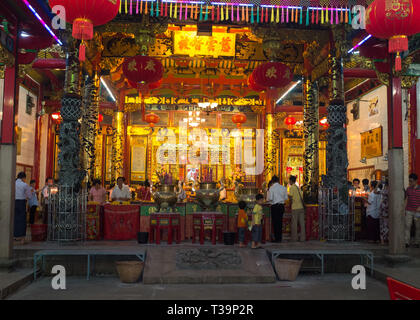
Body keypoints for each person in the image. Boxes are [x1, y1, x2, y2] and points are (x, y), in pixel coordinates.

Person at [267, 175, 288, 243]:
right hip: (281, 206)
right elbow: (285, 198)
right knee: (280, 222)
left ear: (272, 181)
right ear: (279, 181)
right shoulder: (283, 188)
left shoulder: (272, 188)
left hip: (274, 206)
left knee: (275, 222)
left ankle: (277, 238)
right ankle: (280, 238)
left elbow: (270, 198)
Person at [15, 172, 31, 244]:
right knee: (22, 220)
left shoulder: (13, 183)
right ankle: (22, 239)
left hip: (13, 203)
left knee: (14, 219)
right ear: (23, 178)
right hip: (22, 203)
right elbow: (29, 196)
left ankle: (14, 236)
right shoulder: (25, 185)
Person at [288, 175, 306, 242]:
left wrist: (290, 202)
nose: (288, 181)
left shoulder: (292, 187)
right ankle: (302, 238)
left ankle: (294, 238)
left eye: (289, 180)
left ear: (291, 181)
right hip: (301, 207)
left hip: (295, 207)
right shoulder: (298, 188)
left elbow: (290, 196)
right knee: (302, 223)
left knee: (294, 223)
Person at [405, 173, 420, 248]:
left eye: (411, 181)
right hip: (409, 210)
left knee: (418, 227)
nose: (410, 183)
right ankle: (406, 241)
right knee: (407, 226)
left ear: (416, 181)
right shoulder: (408, 189)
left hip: (418, 211)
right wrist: (404, 209)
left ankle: (417, 242)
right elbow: (406, 199)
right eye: (409, 181)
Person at [379, 181, 389, 245]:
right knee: (387, 225)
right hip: (387, 207)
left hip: (383, 207)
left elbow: (375, 192)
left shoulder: (383, 190)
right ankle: (386, 239)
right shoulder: (388, 191)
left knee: (382, 225)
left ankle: (382, 240)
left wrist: (378, 183)